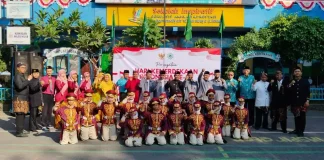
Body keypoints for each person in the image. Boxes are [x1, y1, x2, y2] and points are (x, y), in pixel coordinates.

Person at [287, 67, 310, 137]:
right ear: (294, 73)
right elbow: (287, 90)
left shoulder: (305, 81)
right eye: (296, 71)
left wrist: (307, 100)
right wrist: (290, 84)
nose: (297, 72)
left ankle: (301, 131)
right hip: (294, 102)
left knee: (302, 117)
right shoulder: (292, 81)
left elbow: (308, 92)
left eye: (298, 71)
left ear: (301, 73)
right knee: (296, 116)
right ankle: (296, 129)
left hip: (303, 102)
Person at [13, 62, 32, 137]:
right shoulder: (17, 76)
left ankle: (21, 130)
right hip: (19, 98)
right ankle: (18, 132)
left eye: (24, 67)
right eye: (22, 67)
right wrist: (28, 80)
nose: (24, 69)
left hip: (24, 98)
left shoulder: (22, 76)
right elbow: (20, 86)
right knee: (20, 115)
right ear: (18, 68)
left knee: (23, 115)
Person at [40, 66, 56, 130]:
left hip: (51, 95)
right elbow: (43, 87)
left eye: (50, 71)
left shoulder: (54, 78)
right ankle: (43, 124)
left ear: (52, 71)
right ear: (46, 71)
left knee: (50, 110)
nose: (49, 72)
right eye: (48, 71)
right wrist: (47, 83)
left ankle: (49, 123)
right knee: (45, 110)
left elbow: (55, 87)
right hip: (45, 94)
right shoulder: (43, 78)